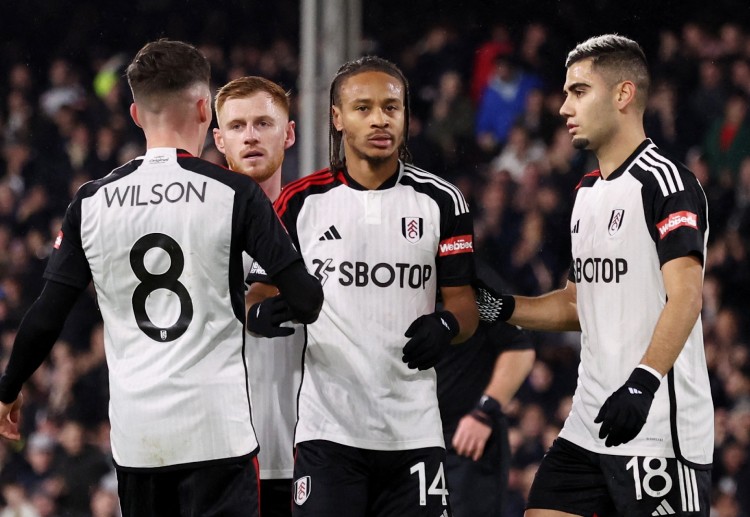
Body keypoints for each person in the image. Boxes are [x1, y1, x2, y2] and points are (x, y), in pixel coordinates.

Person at [0, 39, 323, 517]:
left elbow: (46, 315)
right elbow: (307, 299)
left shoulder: (90, 201)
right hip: (217, 433)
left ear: (134, 114)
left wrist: (9, 388)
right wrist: (260, 303)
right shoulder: (232, 192)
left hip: (138, 440)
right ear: (202, 109)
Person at [492, 34, 713, 516]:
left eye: (579, 91)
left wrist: (642, 383)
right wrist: (503, 308)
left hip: (655, 428)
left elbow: (687, 298)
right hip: (589, 425)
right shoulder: (585, 194)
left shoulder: (666, 184)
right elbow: (578, 304)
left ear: (623, 94)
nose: (563, 107)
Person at [250, 56, 479, 516]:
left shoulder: (442, 200)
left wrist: (446, 324)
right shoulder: (301, 202)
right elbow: (258, 289)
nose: (380, 119)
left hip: (413, 429)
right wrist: (261, 312)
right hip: (328, 431)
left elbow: (465, 306)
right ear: (337, 118)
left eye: (391, 108)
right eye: (363, 108)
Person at [212, 75, 299, 517]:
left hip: (312, 455)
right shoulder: (199, 231)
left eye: (263, 123)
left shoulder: (322, 222)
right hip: (221, 456)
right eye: (237, 126)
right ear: (219, 140)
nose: (250, 136)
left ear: (289, 133)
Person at [435, 262, 535, 517]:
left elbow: (519, 349)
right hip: (410, 438)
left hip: (466, 440)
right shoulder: (395, 279)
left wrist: (484, 410)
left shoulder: (471, 277)